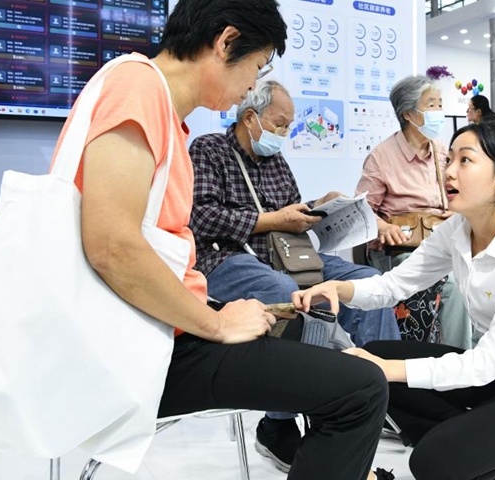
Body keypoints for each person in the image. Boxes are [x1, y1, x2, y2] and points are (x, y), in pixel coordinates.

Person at [60, 1, 389, 479]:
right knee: (359, 387)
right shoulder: (137, 88)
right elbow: (112, 246)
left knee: (331, 346)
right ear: (226, 42)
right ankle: (292, 433)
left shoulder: (164, 113)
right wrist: (214, 323)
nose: (251, 86)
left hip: (166, 329)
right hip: (154, 347)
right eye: (257, 67)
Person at [294, 122, 495, 480]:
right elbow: (394, 285)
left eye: (465, 161)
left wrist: (389, 370)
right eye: (449, 159)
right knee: (377, 362)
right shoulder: (456, 230)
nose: (448, 171)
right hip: (494, 370)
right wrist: (336, 289)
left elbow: (490, 360)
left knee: (431, 462)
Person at [188, 79, 400, 472]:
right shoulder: (209, 150)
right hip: (225, 260)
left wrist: (320, 207)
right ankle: (284, 422)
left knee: (366, 281)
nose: (285, 133)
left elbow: (289, 217)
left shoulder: (275, 160)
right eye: (280, 124)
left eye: (287, 126)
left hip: (286, 256)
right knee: (291, 294)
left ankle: (385, 394)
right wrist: (270, 219)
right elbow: (200, 216)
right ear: (250, 118)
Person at [356, 75, 471, 350]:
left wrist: (458, 213)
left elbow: (462, 196)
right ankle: (448, 359)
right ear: (409, 113)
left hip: (443, 242)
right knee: (454, 287)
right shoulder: (382, 157)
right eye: (431, 105)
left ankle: (464, 360)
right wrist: (383, 228)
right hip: (401, 250)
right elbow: (360, 213)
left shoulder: (444, 152)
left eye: (440, 104)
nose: (439, 112)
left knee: (472, 280)